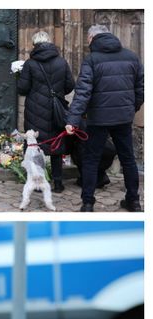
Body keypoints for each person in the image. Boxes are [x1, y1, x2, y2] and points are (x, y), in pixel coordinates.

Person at [66, 25, 144, 212]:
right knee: (128, 159)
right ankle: (133, 201)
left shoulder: (92, 59)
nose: (87, 42)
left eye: (87, 39)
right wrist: (130, 109)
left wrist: (72, 120)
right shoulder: (131, 57)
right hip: (123, 118)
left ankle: (88, 203)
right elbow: (141, 89)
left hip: (98, 119)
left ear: (92, 38)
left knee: (91, 160)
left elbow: (83, 92)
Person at [16, 31, 74, 193]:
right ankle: (58, 183)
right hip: (56, 110)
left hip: (35, 110)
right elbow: (70, 85)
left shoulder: (30, 64)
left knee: (36, 146)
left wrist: (19, 76)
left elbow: (23, 88)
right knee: (56, 144)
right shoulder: (61, 62)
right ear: (49, 43)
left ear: (35, 45)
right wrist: (57, 92)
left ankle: (38, 183)